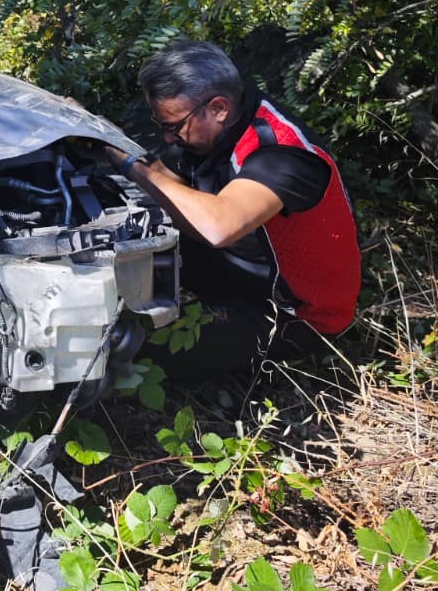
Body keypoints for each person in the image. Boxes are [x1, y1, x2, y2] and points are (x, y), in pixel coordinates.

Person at [106, 40, 361, 378]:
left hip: (294, 316)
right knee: (113, 267)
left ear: (219, 108)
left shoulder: (282, 152)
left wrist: (129, 165)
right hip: (240, 271)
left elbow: (219, 226)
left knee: (135, 347)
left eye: (172, 127)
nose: (168, 139)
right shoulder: (211, 128)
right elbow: (164, 184)